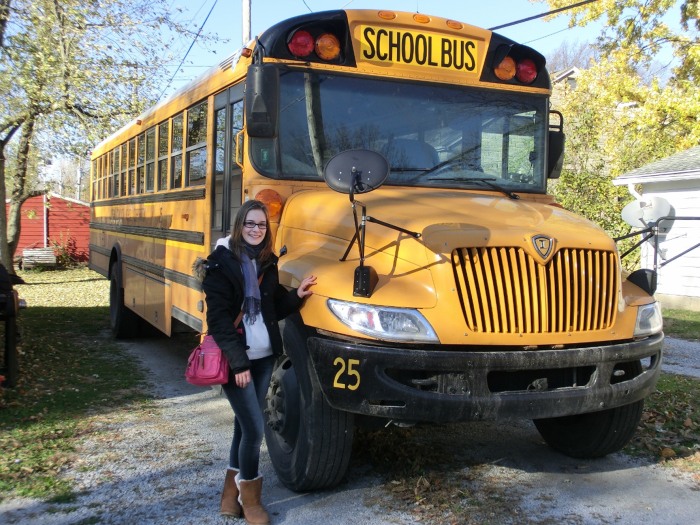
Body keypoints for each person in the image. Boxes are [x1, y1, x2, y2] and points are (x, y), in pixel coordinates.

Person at [199, 200, 316, 524]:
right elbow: (220, 321)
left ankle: (229, 496)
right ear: (240, 225)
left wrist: (298, 295)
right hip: (238, 361)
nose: (255, 229)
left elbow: (273, 308)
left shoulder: (267, 262)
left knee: (242, 427)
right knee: (253, 430)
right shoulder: (220, 265)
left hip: (264, 358)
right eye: (250, 223)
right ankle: (251, 501)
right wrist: (238, 364)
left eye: (261, 225)